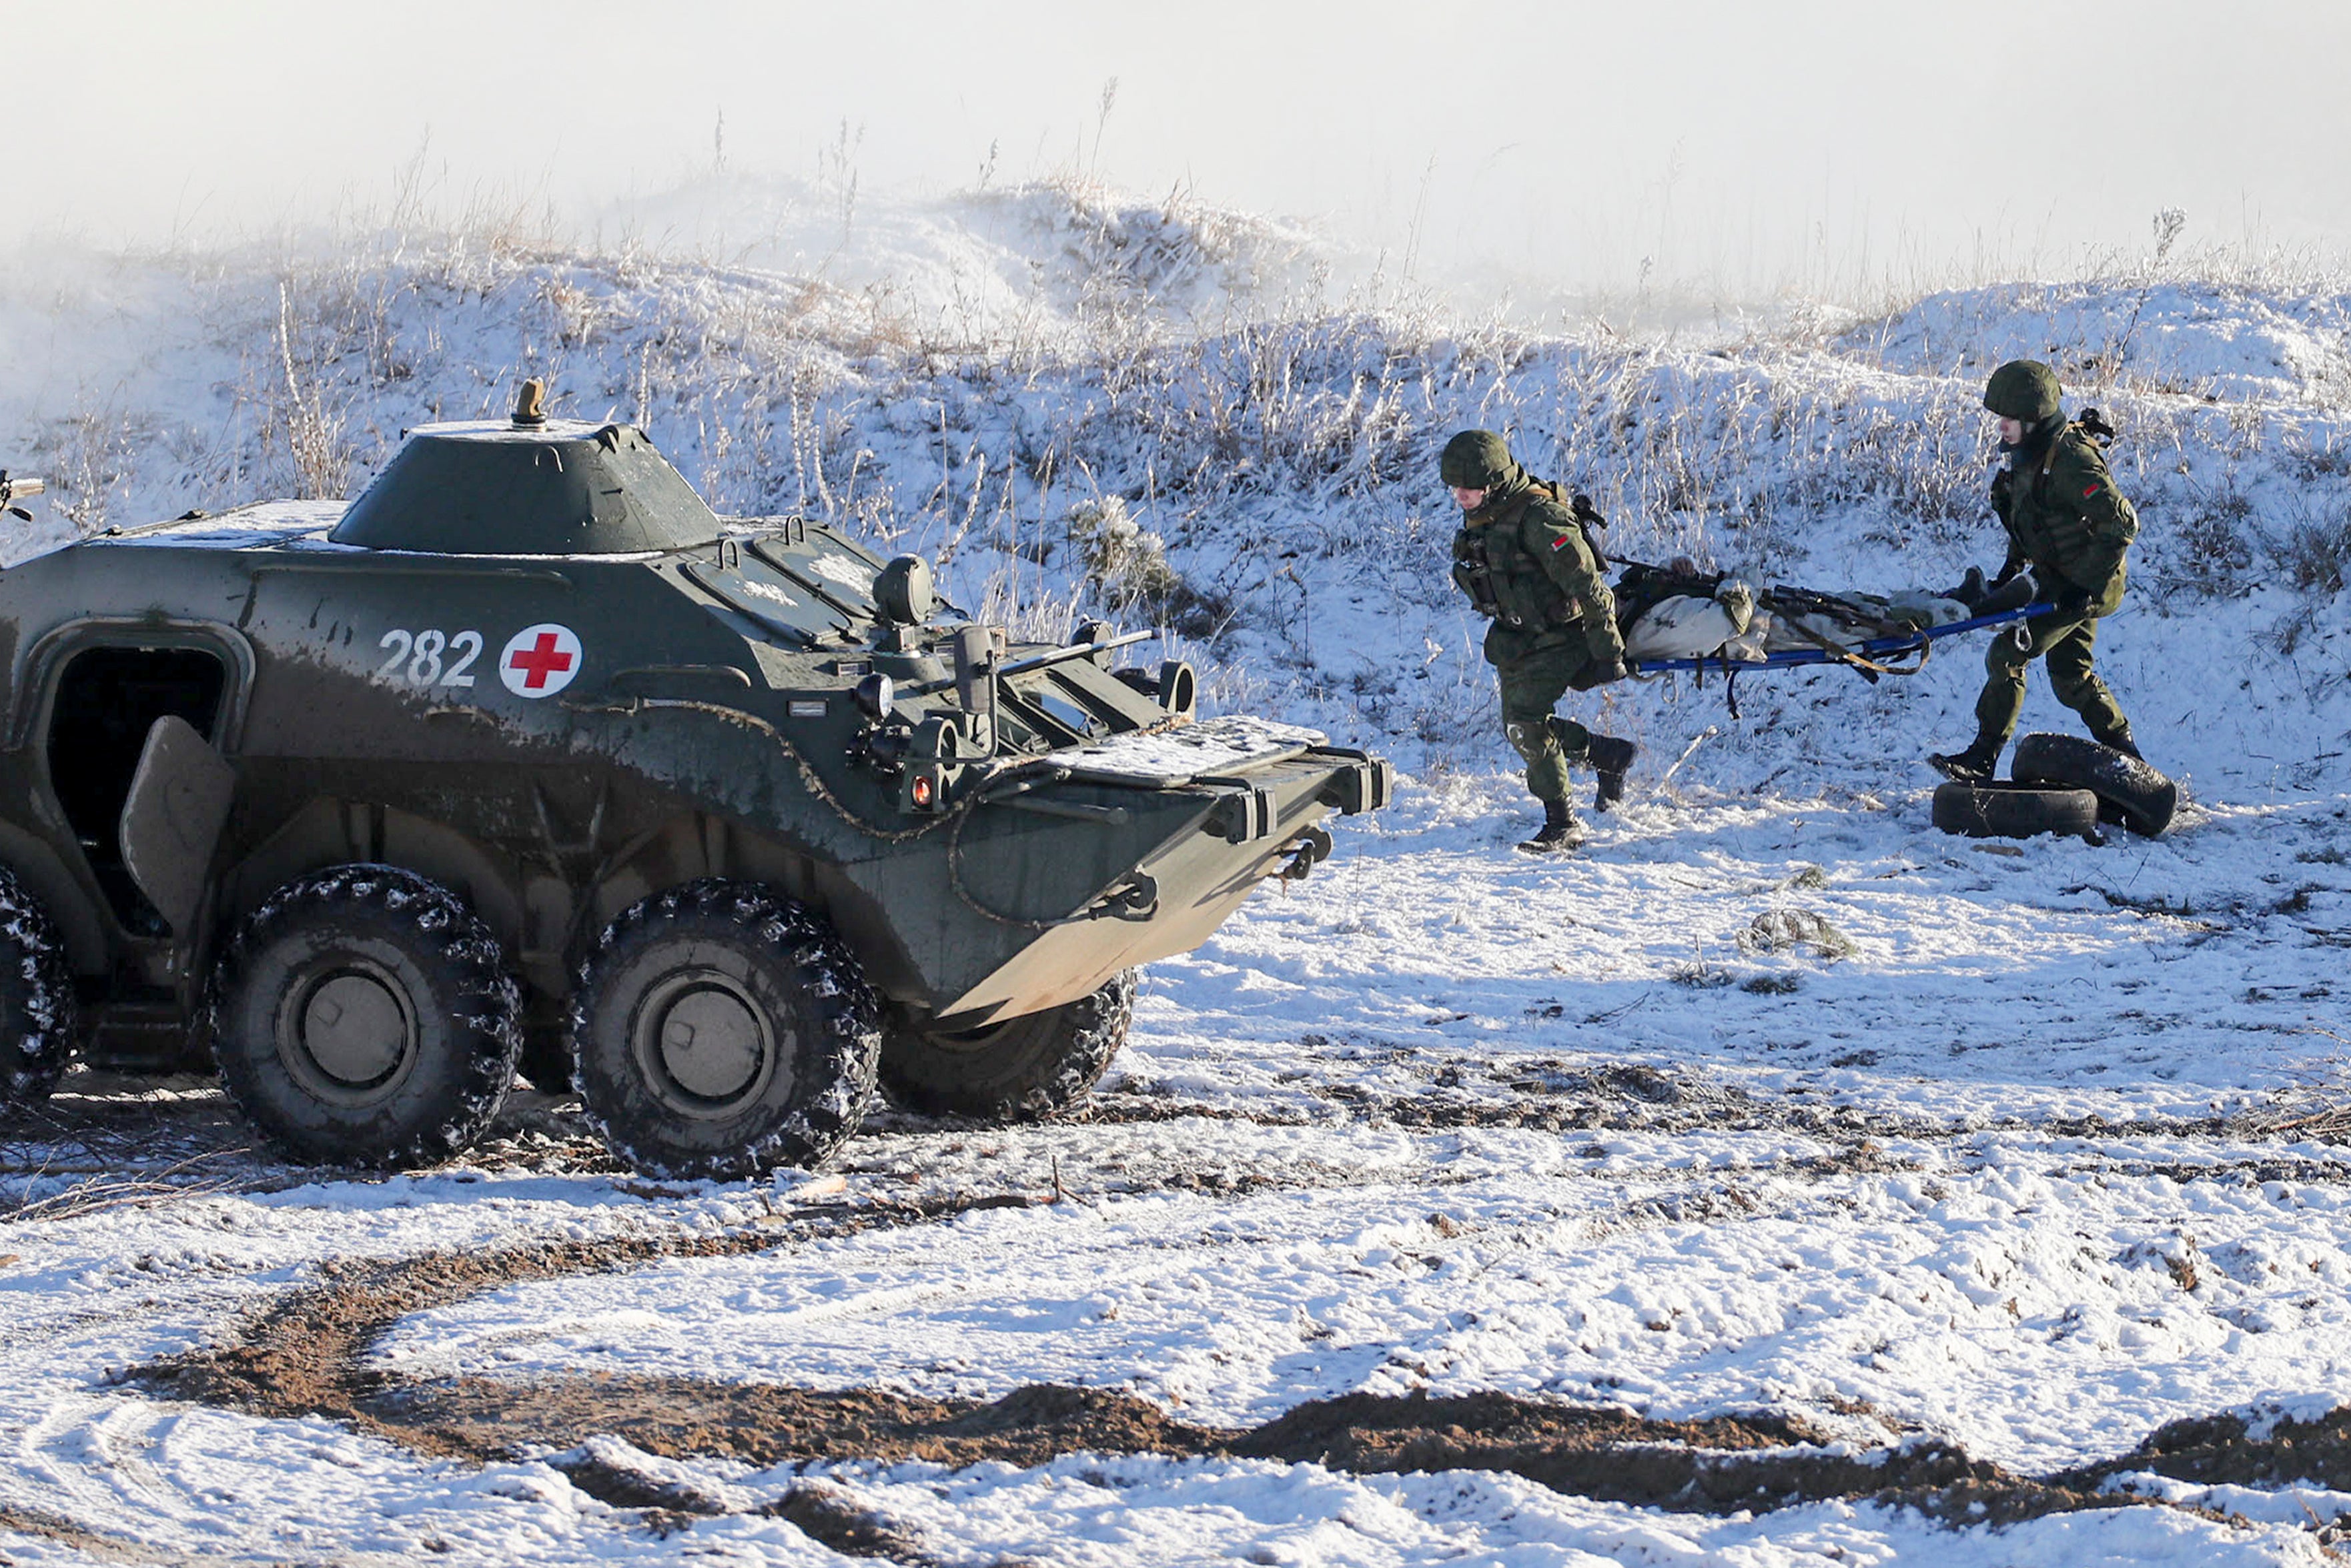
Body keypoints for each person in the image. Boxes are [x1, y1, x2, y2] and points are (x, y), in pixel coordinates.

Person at [1929, 361, 2142, 782]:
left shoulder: (2071, 461)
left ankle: (1981, 759)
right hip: (2061, 577)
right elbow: (2034, 518)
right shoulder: (2030, 456)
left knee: (2007, 655)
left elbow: (2122, 523)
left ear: (2035, 418)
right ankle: (2129, 760)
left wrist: (2084, 585)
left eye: (2010, 419)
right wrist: (2011, 568)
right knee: (2071, 677)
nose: (2002, 427)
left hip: (2083, 583)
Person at [1442, 429, 1636, 852]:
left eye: (1468, 489)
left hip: (1566, 635)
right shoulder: (1488, 509)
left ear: (1492, 483)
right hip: (1521, 635)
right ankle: (1606, 754)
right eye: (1455, 488)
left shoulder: (1541, 518)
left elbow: (1591, 588)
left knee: (1526, 721)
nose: (1459, 496)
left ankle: (1563, 824)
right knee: (1519, 723)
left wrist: (1608, 651)